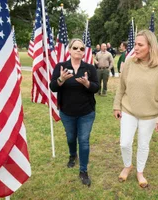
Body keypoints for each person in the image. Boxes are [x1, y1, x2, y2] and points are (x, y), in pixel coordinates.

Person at [113, 30, 158, 188]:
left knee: (143, 145)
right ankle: (127, 165)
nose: (136, 48)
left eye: (140, 45)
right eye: (135, 44)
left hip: (150, 114)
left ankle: (140, 171)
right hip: (128, 110)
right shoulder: (130, 62)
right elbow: (121, 87)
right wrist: (117, 105)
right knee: (125, 143)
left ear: (150, 47)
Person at [50, 38, 99, 187]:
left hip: (86, 112)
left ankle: (83, 171)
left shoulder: (89, 68)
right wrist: (61, 79)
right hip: (67, 111)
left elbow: (96, 87)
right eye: (75, 48)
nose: (78, 50)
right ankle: (72, 155)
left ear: (84, 52)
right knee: (71, 137)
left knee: (83, 141)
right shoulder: (61, 67)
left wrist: (87, 83)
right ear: (69, 50)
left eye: (81, 49)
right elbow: (53, 87)